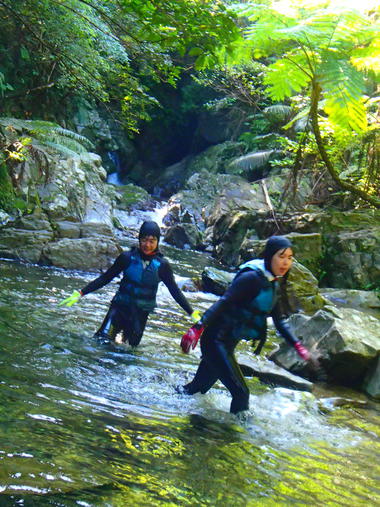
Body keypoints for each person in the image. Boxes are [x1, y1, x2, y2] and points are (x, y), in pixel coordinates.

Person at [178, 235, 312, 415]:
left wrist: (297, 346)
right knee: (241, 393)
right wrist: (197, 328)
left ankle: (159, 403)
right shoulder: (251, 278)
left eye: (289, 257)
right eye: (281, 256)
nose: (286, 262)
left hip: (227, 344)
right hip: (215, 342)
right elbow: (223, 302)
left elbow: (279, 321)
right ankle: (236, 435)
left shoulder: (273, 284)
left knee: (195, 390)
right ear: (270, 256)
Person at [59, 220, 200, 346]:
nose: (147, 245)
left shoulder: (162, 266)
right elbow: (105, 278)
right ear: (139, 239)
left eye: (152, 241)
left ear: (158, 242)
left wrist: (192, 313)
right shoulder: (127, 258)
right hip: (118, 309)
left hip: (140, 314)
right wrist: (81, 292)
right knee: (100, 342)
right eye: (144, 240)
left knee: (129, 352)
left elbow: (174, 291)